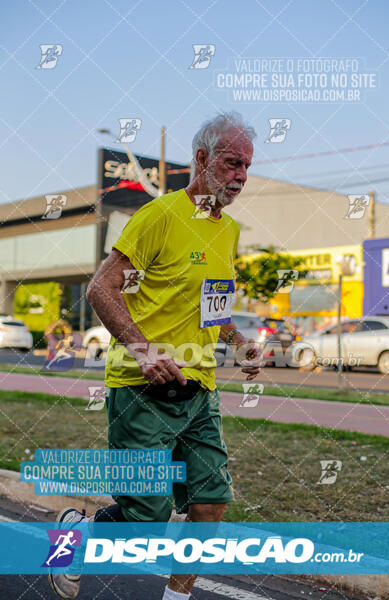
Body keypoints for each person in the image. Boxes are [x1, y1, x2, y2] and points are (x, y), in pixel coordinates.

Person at [49, 111, 262, 600]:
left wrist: (237, 343)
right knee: (146, 517)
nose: (240, 177)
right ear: (203, 159)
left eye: (247, 167)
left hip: (200, 390)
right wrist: (143, 351)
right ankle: (78, 535)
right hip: (141, 389)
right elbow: (101, 287)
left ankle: (177, 596)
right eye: (231, 164)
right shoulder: (159, 216)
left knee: (210, 504)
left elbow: (214, 311)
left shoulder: (227, 232)